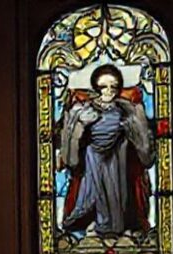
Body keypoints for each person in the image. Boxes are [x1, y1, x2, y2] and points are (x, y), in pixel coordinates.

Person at [59, 64, 155, 235]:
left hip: (118, 154)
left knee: (117, 193)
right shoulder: (83, 111)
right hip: (92, 156)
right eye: (104, 86)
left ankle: (116, 226)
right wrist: (81, 125)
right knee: (93, 191)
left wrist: (131, 129)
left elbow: (141, 140)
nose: (109, 91)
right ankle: (96, 223)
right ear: (96, 87)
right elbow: (71, 142)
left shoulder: (127, 110)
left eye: (113, 87)